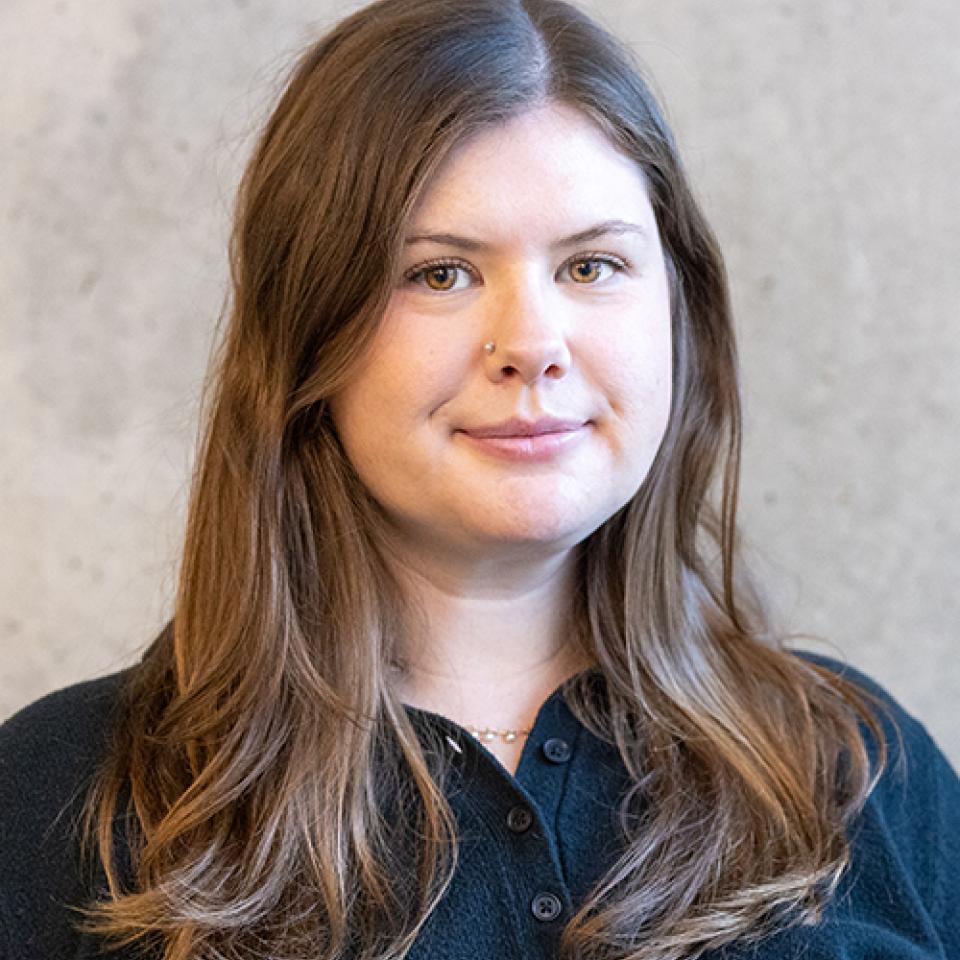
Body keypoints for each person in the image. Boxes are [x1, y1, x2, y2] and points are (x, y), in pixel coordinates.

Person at [1, 0, 957, 958]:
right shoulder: (56, 796)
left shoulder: (866, 771)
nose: (532, 345)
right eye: (441, 275)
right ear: (305, 334)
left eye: (591, 264)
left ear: (678, 311)